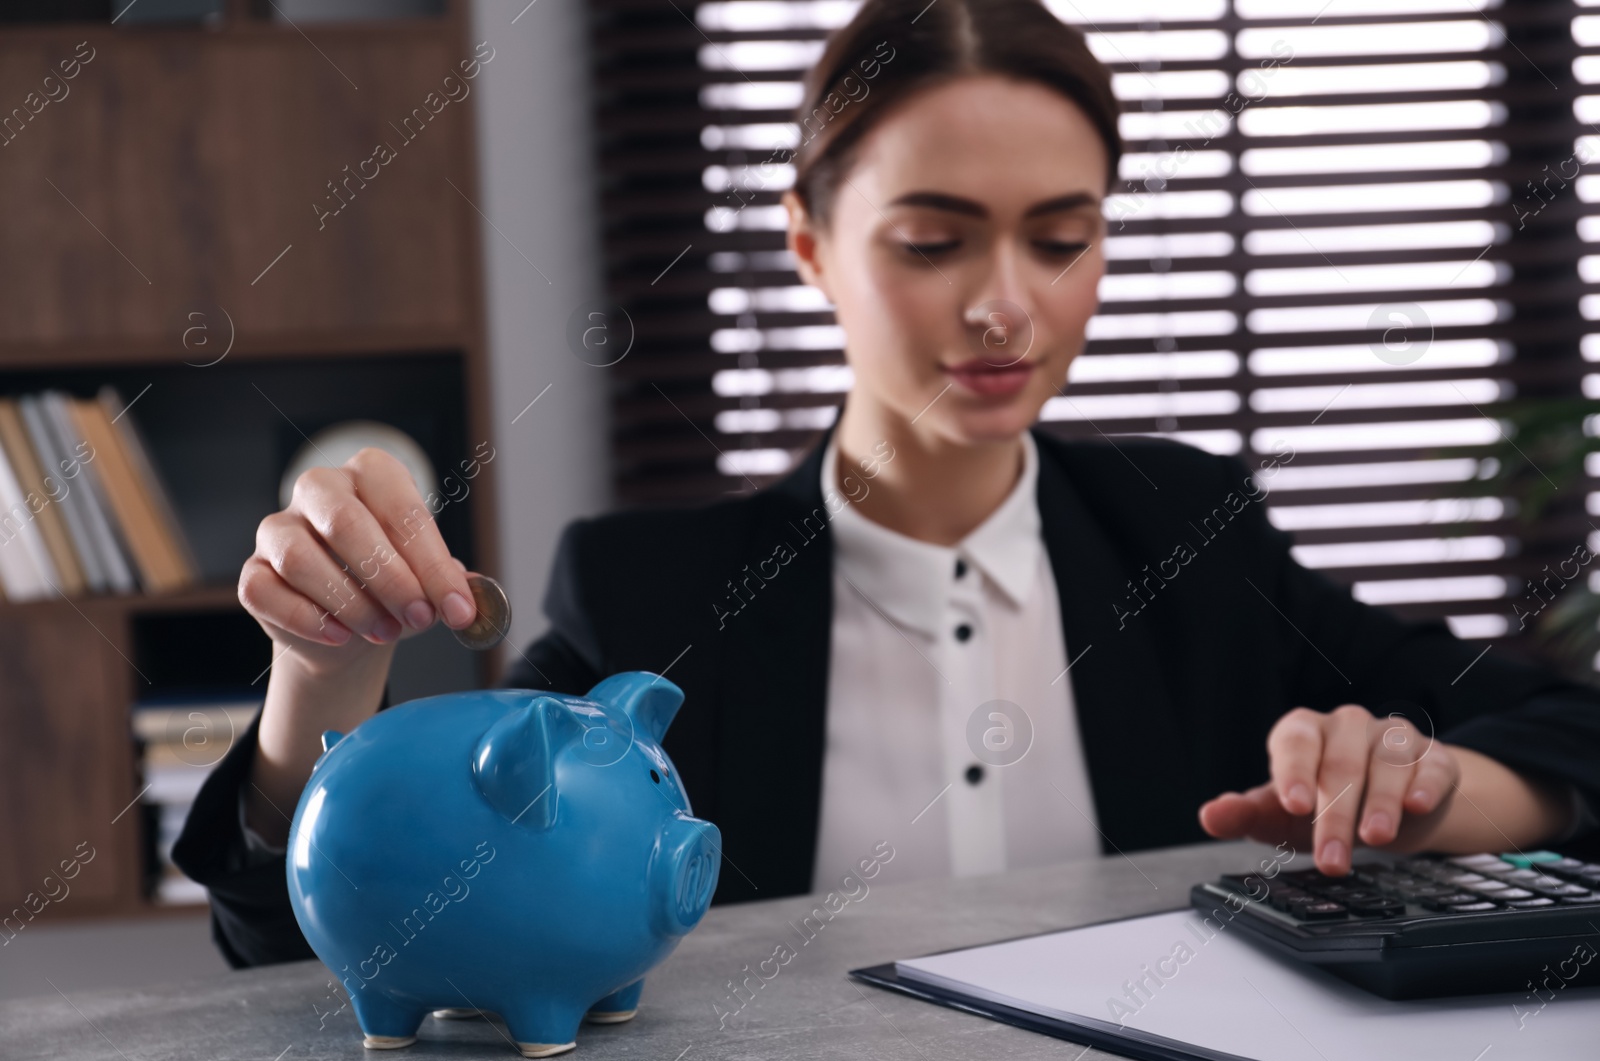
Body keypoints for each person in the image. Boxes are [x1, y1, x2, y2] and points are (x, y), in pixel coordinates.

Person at [175, 0, 1600, 969]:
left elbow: (1567, 736)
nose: (1009, 310)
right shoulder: (655, 593)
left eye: (1061, 240)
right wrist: (318, 672)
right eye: (934, 241)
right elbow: (336, 936)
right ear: (808, 243)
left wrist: (1439, 788)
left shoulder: (1189, 533)